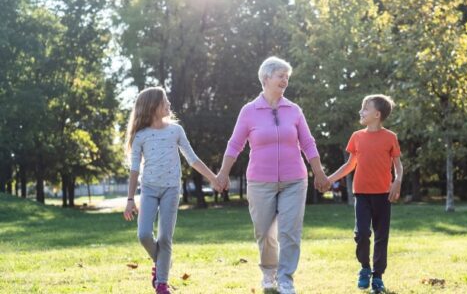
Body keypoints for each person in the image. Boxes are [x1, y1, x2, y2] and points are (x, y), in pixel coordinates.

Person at [216, 56, 330, 294]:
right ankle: (269, 275)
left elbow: (308, 143)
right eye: (281, 76)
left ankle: (286, 279)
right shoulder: (249, 111)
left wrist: (319, 173)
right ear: (266, 78)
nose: (285, 80)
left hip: (294, 180)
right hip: (260, 181)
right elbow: (235, 144)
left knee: (290, 231)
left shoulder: (294, 110)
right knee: (265, 231)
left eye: (287, 77)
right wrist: (223, 174)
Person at [123, 87, 220, 294]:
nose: (168, 104)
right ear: (153, 107)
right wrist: (130, 199)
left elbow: (192, 159)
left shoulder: (176, 131)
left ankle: (161, 284)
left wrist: (213, 177)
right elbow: (133, 169)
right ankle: (162, 261)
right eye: (164, 101)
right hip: (148, 189)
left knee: (166, 238)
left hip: (171, 190)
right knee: (143, 235)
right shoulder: (140, 136)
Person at [327, 94, 403, 294]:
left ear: (377, 114)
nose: (361, 112)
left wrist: (398, 180)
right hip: (361, 194)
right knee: (361, 233)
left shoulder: (390, 137)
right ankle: (364, 268)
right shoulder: (357, 137)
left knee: (381, 236)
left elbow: (398, 165)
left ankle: (377, 277)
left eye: (365, 108)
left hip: (383, 195)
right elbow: (350, 164)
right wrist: (329, 179)